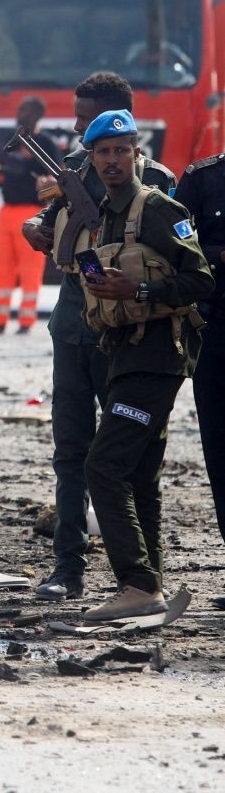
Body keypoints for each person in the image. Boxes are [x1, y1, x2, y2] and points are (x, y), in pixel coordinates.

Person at [22, 71, 177, 601]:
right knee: (70, 451)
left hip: (129, 338)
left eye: (86, 119)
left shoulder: (157, 182)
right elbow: (46, 221)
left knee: (134, 460)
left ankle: (140, 574)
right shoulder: (70, 171)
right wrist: (38, 231)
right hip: (72, 329)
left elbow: (181, 265)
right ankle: (68, 567)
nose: (77, 127)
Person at [76, 109, 211, 621]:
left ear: (137, 153)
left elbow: (200, 281)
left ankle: (135, 582)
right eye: (104, 152)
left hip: (158, 358)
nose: (113, 160)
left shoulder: (158, 209)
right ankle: (149, 583)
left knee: (102, 465)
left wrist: (140, 289)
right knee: (138, 473)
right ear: (91, 158)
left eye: (121, 150)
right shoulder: (103, 216)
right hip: (123, 356)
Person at [174, 153, 225, 545]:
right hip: (215, 331)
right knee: (220, 455)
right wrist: (216, 255)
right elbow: (174, 247)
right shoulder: (202, 178)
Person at [0, 96, 55, 334]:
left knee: (29, 269)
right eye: (20, 110)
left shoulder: (45, 142)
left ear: (38, 114)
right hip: (6, 211)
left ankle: (25, 321)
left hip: (31, 213)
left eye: (25, 111)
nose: (20, 114)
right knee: (0, 268)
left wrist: (47, 184)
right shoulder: (12, 141)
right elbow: (13, 168)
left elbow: (57, 174)